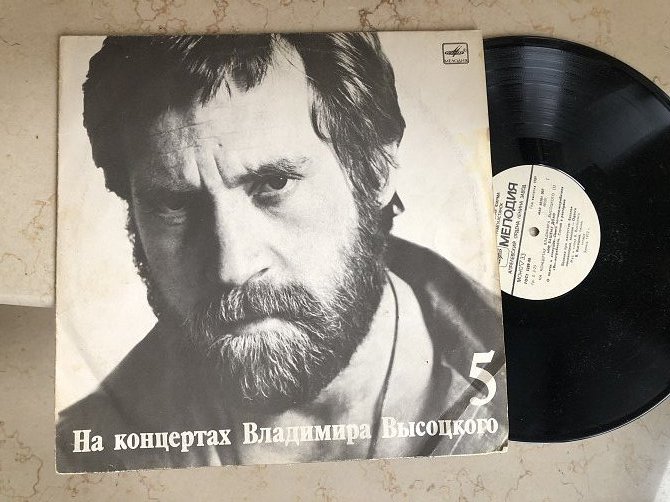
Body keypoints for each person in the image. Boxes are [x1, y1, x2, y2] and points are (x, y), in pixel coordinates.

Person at [57, 33, 506, 472]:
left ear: (376, 168)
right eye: (175, 205)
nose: (232, 267)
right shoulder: (84, 460)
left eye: (274, 184)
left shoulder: (522, 379)